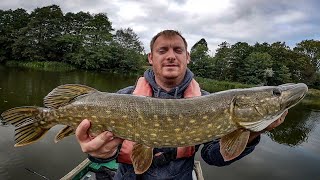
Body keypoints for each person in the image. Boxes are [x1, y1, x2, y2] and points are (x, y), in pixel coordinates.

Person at [75, 30, 288, 179]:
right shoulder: (124, 97)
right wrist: (97, 153)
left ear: (188, 57)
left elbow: (214, 156)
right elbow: (101, 147)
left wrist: (252, 133)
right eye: (162, 50)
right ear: (150, 57)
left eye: (178, 50)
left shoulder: (209, 102)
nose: (170, 56)